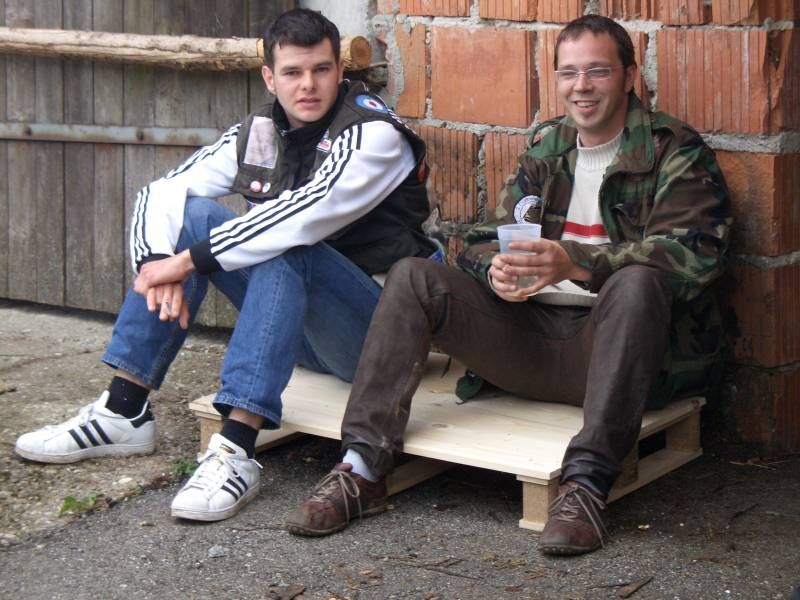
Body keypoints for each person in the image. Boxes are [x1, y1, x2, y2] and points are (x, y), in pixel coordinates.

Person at [287, 15, 732, 555]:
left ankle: (586, 486)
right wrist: (495, 268)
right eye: (568, 73)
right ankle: (361, 468)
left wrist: (573, 261)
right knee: (413, 276)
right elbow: (481, 239)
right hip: (532, 342)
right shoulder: (548, 146)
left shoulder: (673, 149)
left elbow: (694, 256)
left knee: (638, 284)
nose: (582, 87)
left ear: (629, 76)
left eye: (597, 71)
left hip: (622, 353)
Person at [14, 8, 436, 523]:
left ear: (340, 72)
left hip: (375, 339)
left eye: (321, 70)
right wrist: (156, 263)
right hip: (305, 334)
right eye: (293, 72)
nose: (308, 85)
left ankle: (235, 447)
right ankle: (124, 410)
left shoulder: (374, 133)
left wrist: (186, 262)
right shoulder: (261, 131)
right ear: (269, 77)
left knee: (283, 242)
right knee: (191, 216)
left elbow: (300, 216)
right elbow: (164, 191)